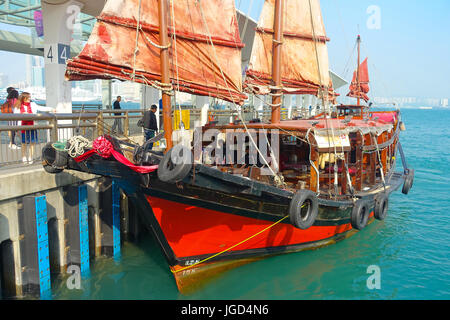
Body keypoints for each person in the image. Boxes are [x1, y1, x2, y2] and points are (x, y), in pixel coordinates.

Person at [14, 92, 54, 164]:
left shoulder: (33, 105)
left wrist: (51, 109)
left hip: (32, 126)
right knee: (24, 143)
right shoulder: (18, 106)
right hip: (23, 127)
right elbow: (15, 117)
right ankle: (24, 157)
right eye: (28, 98)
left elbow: (41, 108)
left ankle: (30, 157)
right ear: (24, 98)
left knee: (32, 142)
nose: (29, 99)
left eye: (29, 97)